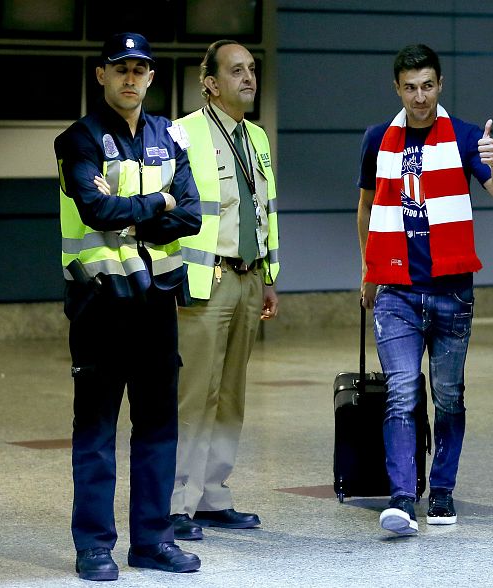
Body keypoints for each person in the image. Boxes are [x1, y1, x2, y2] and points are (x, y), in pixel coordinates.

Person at [54, 32, 202, 580]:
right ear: (102, 75)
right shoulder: (79, 139)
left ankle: (153, 542)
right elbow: (93, 209)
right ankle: (94, 547)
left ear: (151, 78)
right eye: (121, 68)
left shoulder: (169, 136)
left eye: (140, 69)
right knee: (95, 432)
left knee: (158, 428)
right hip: (98, 303)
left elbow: (189, 214)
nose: (131, 78)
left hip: (155, 302)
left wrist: (138, 208)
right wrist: (155, 201)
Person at [357, 44, 493, 535]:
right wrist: (368, 271)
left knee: (448, 396)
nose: (420, 97)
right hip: (397, 291)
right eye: (410, 87)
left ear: (440, 84)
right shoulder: (377, 139)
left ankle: (443, 491)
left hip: (451, 291)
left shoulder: (467, 138)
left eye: (428, 86)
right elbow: (366, 208)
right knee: (402, 392)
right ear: (397, 88)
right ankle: (403, 497)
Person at [169, 39, 280, 542]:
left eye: (252, 70)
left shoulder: (256, 137)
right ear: (211, 83)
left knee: (232, 395)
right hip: (205, 280)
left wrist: (270, 277)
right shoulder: (182, 135)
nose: (249, 78)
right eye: (237, 71)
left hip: (249, 277)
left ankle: (214, 496)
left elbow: (265, 211)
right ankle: (176, 503)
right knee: (196, 394)